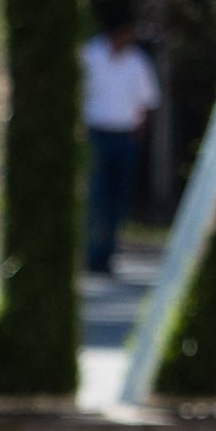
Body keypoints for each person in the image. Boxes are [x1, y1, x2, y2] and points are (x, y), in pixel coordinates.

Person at [83, 16, 162, 276]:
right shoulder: (90, 56)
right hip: (96, 134)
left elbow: (147, 102)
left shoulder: (137, 61)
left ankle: (107, 254)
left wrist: (139, 132)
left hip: (125, 135)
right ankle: (91, 253)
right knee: (96, 197)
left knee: (118, 199)